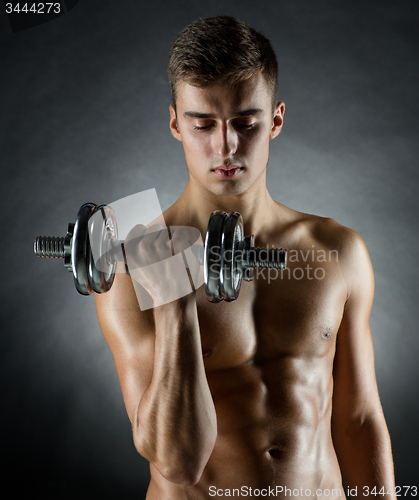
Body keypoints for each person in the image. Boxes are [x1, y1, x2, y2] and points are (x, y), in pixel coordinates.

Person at [95, 16, 396, 499]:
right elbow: (176, 461)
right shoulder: (132, 265)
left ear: (275, 119)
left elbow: (360, 421)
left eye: (245, 123)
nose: (226, 146)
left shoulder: (337, 250)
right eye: (203, 124)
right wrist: (173, 303)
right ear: (176, 122)